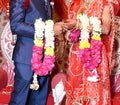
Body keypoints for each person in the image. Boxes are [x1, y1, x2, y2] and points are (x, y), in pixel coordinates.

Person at [54, 0, 118, 104]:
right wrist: (69, 33)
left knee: (94, 89)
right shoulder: (76, 4)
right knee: (75, 88)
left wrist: (79, 24)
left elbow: (106, 29)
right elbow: (72, 29)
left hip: (95, 53)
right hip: (77, 53)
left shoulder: (104, 4)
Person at [9, 0, 67, 105]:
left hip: (44, 60)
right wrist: (50, 30)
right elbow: (16, 25)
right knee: (20, 100)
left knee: (39, 100)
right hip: (26, 58)